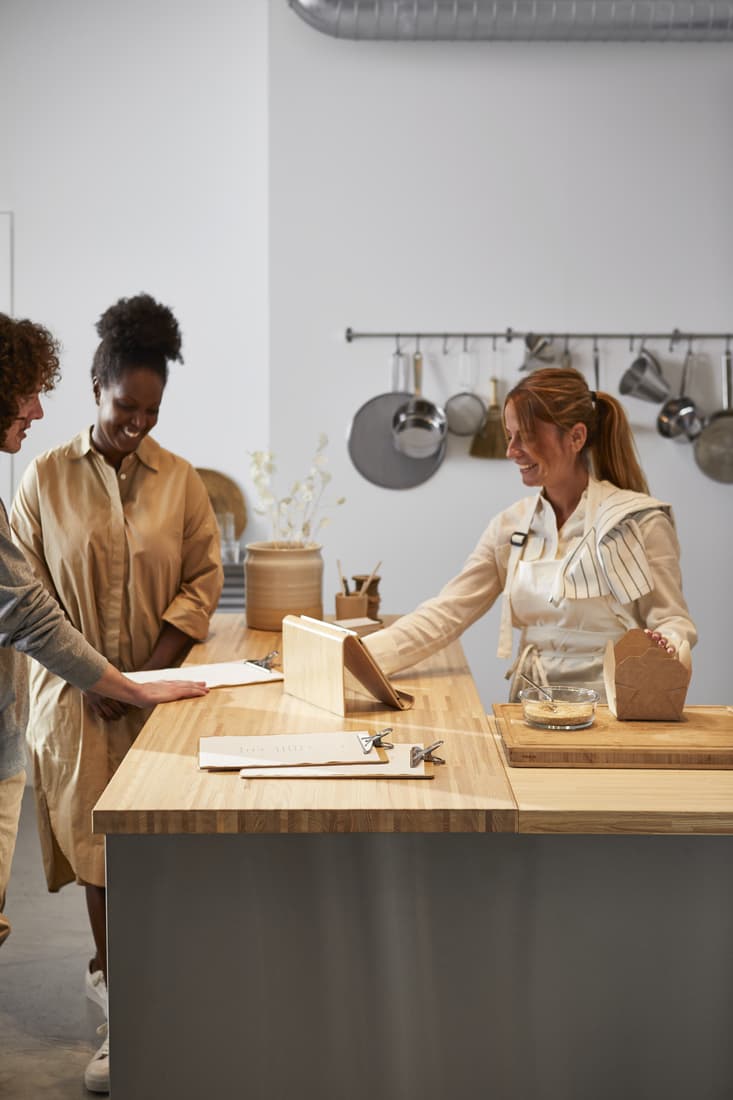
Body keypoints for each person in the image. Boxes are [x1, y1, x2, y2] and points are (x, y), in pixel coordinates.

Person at [10, 294, 223, 1094]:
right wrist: (95, 679)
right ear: (95, 387)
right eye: (125, 407)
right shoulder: (42, 478)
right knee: (101, 856)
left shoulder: (183, 483)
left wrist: (142, 681)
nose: (138, 423)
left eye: (152, 411)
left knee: (158, 849)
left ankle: (166, 993)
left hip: (158, 699)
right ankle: (120, 1007)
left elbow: (203, 581)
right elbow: (25, 591)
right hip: (71, 702)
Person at [364, 366, 696, 699]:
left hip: (615, 710)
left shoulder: (638, 522)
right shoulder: (511, 527)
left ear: (576, 437)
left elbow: (671, 621)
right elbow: (447, 612)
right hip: (531, 707)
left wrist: (666, 648)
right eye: (509, 435)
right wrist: (358, 656)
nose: (512, 450)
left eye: (527, 435)